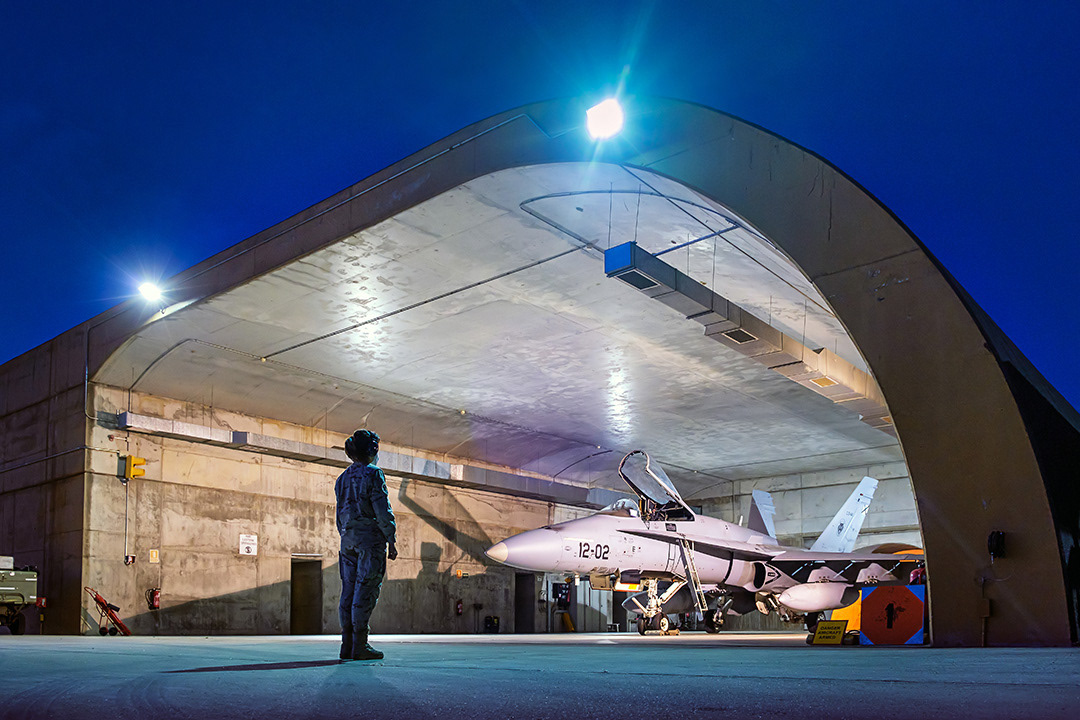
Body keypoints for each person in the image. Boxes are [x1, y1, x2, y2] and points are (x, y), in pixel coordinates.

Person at [335, 429, 397, 660]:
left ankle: (346, 645)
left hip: (347, 541)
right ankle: (360, 645)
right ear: (371, 450)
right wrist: (391, 538)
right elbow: (382, 510)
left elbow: (339, 514)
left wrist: (346, 536)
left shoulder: (342, 478)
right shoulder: (374, 474)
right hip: (370, 541)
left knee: (348, 591)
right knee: (366, 590)